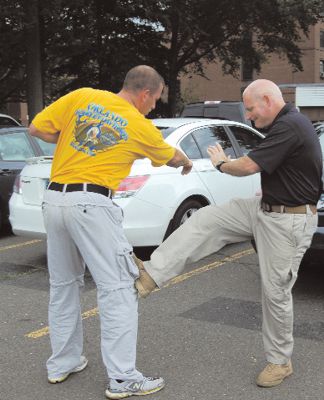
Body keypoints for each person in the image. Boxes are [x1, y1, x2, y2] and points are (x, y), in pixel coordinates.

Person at [134, 79, 322, 388]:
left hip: (288, 222)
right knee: (209, 219)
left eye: (250, 109)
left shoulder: (292, 125)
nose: (248, 116)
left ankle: (280, 362)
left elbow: (248, 167)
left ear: (267, 100)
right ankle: (151, 275)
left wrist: (221, 163)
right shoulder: (284, 124)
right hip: (265, 209)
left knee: (275, 292)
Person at [29, 65, 193, 399]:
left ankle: (63, 362)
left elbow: (37, 128)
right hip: (92, 204)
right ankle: (122, 378)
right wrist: (188, 163)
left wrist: (83, 143)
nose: (154, 107)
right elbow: (171, 157)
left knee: (63, 284)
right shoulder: (137, 124)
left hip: (55, 199)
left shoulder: (82, 97)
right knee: (118, 288)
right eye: (156, 100)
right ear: (145, 93)